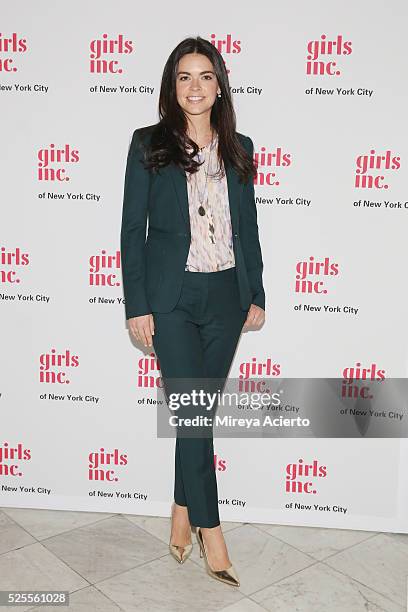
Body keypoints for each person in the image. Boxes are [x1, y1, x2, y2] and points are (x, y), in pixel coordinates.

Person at [120, 36, 265, 588]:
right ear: (171, 85)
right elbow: (133, 233)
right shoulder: (147, 145)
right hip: (172, 298)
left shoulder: (239, 147)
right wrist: (138, 305)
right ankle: (211, 530)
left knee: (194, 416)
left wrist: (258, 293)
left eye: (206, 75)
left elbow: (247, 228)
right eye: (184, 76)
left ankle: (180, 514)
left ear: (220, 84)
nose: (195, 86)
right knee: (193, 413)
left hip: (227, 295)